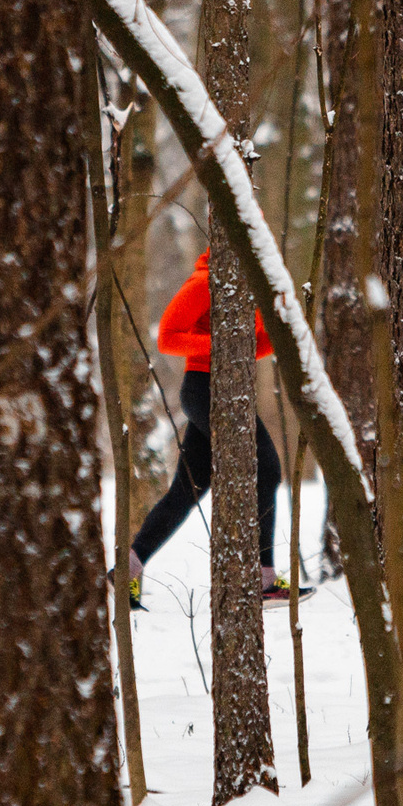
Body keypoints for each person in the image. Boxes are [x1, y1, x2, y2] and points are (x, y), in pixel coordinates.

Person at [125, 249, 299, 609]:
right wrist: (223, 345)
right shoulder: (206, 282)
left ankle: (127, 568)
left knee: (186, 491)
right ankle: (263, 581)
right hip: (204, 388)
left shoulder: (250, 287)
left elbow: (250, 348)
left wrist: (283, 330)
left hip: (228, 389)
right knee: (266, 470)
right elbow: (168, 337)